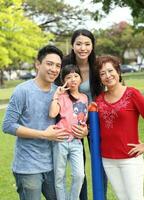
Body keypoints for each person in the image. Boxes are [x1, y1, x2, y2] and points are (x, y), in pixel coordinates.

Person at [2, 45, 88, 200]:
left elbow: (74, 115)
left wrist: (84, 131)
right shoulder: (23, 91)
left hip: (54, 163)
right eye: (49, 64)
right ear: (38, 64)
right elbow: (8, 125)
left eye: (57, 66)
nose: (54, 69)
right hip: (29, 166)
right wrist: (44, 135)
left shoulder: (60, 92)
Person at [92, 55, 144, 200]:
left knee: (135, 198)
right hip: (108, 159)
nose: (107, 76)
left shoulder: (132, 93)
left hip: (130, 158)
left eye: (110, 71)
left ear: (118, 71)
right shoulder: (99, 99)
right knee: (122, 198)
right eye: (102, 73)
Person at [59, 29, 108, 200]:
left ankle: (101, 196)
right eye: (78, 43)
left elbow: (102, 94)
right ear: (72, 45)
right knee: (79, 166)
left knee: (99, 160)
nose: (83, 48)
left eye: (87, 44)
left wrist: (89, 124)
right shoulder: (65, 66)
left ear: (92, 45)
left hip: (94, 120)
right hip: (72, 122)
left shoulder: (97, 65)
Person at [49, 64, 88, 200]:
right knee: (59, 176)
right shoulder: (62, 97)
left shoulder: (84, 98)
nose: (73, 79)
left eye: (76, 76)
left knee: (79, 175)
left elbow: (84, 119)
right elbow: (53, 113)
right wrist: (56, 95)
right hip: (61, 140)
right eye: (68, 77)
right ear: (64, 80)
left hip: (77, 142)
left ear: (80, 79)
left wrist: (85, 130)